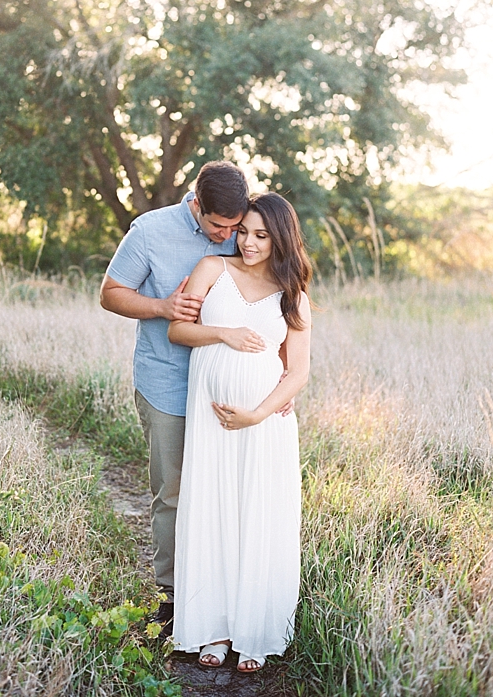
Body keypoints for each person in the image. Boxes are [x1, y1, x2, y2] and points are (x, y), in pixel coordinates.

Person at [99, 161, 251, 637]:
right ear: (196, 204)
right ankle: (171, 596)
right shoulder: (149, 231)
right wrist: (163, 306)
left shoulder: (246, 231)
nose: (228, 236)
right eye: (218, 226)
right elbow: (110, 293)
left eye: (234, 226)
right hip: (167, 382)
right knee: (173, 491)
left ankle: (220, 589)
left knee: (225, 490)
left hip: (228, 386)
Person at [167, 192, 312, 673]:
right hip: (210, 422)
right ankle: (215, 628)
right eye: (244, 232)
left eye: (261, 235)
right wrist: (223, 333)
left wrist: (257, 414)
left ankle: (255, 631)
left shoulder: (294, 296)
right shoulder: (212, 269)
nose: (248, 243)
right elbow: (178, 332)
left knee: (257, 515)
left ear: (281, 238)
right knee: (213, 510)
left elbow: (297, 373)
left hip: (263, 425)